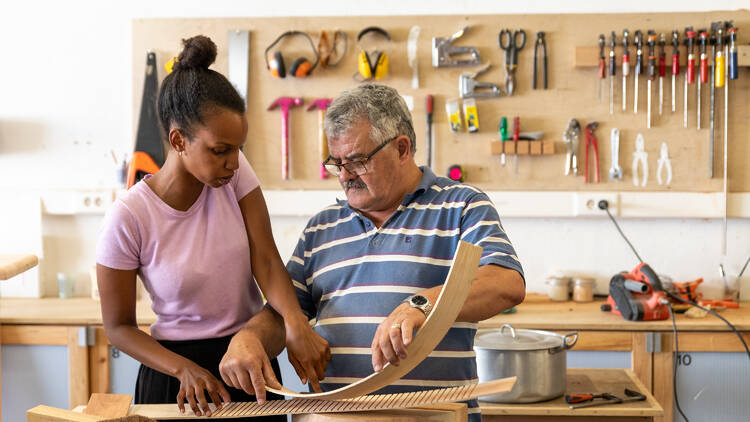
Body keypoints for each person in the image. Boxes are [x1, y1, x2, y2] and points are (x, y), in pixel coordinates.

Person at [219, 84, 525, 421]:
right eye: (337, 164)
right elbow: (283, 314)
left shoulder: (461, 205)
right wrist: (249, 338)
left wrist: (419, 305)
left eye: (357, 161)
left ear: (402, 148)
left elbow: (505, 282)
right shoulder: (322, 228)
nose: (345, 176)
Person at [96, 35, 328, 420]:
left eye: (239, 149)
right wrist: (181, 368)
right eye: (221, 150)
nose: (234, 162)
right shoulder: (127, 217)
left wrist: (295, 323)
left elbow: (267, 260)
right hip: (175, 375)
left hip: (247, 362)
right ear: (178, 140)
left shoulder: (233, 176)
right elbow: (118, 328)